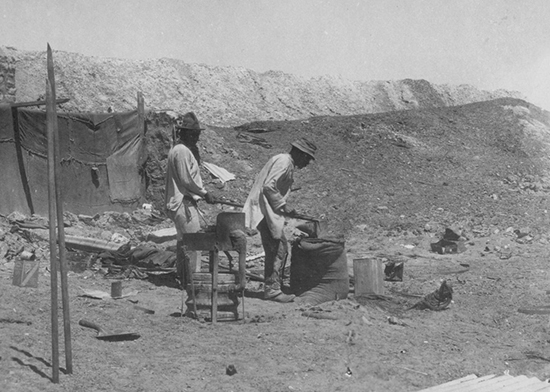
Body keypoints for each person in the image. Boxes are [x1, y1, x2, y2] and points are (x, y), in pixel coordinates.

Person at [243, 137, 317, 302]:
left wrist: (283, 208)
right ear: (299, 153)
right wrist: (283, 204)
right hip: (263, 211)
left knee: (279, 248)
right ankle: (272, 290)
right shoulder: (283, 161)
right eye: (306, 158)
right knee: (278, 249)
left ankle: (275, 286)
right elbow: (269, 186)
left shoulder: (286, 163)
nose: (307, 163)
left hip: (268, 210)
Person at [164, 111, 215, 285]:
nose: (196, 138)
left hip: (182, 203)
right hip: (183, 203)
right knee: (194, 243)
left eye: (197, 134)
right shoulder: (182, 151)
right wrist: (204, 193)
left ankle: (183, 278)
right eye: (194, 134)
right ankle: (193, 281)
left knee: (183, 243)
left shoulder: (179, 150)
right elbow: (187, 179)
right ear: (184, 133)